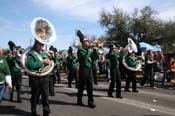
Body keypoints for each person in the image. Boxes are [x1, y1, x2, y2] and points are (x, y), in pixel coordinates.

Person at [26, 40, 51, 116]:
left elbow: (48, 63)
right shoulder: (31, 54)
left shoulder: (43, 53)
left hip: (45, 78)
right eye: (40, 45)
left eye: (42, 45)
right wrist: (42, 62)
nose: (42, 46)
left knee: (45, 97)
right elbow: (31, 65)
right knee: (35, 96)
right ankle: (33, 111)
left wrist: (49, 61)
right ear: (36, 44)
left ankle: (46, 113)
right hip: (35, 79)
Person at [77, 38, 96, 108]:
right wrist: (89, 50)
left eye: (88, 41)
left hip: (89, 69)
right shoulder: (80, 50)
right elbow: (85, 59)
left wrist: (95, 50)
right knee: (81, 86)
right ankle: (79, 100)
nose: (87, 43)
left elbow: (95, 57)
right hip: (83, 69)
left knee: (90, 86)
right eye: (86, 42)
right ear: (83, 43)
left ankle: (91, 102)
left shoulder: (88, 50)